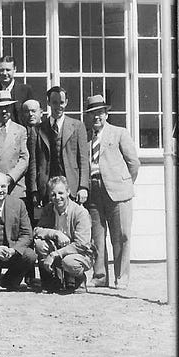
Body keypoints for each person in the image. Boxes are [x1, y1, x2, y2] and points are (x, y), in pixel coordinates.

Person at [84, 93, 140, 289]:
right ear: (88, 116)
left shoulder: (119, 133)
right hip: (93, 190)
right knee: (97, 236)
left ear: (107, 114)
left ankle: (121, 277)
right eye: (92, 114)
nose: (96, 117)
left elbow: (133, 162)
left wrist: (124, 183)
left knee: (121, 235)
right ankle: (99, 276)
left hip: (118, 190)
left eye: (100, 113)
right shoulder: (85, 137)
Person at [33, 175, 94, 293]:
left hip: (81, 253)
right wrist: (55, 233)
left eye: (61, 193)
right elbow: (37, 231)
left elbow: (82, 244)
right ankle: (52, 281)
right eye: (53, 194)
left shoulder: (80, 212)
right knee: (40, 244)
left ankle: (79, 279)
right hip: (59, 247)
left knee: (69, 262)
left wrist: (55, 254)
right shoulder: (48, 209)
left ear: (68, 192)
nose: (57, 198)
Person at [42, 85, 91, 205]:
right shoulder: (40, 128)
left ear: (66, 103)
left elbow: (84, 159)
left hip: (72, 186)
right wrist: (35, 190)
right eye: (54, 102)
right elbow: (35, 163)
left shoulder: (77, 126)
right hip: (48, 188)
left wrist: (83, 187)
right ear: (48, 102)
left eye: (62, 102)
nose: (58, 106)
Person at [23, 98, 53, 211]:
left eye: (33, 111)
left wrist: (35, 189)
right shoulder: (20, 131)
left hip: (42, 186)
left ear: (41, 112)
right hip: (23, 186)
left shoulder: (48, 131)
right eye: (26, 111)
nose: (30, 114)